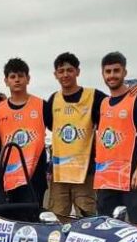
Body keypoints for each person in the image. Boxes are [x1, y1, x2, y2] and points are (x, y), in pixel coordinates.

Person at [94, 52, 137, 227]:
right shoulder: (103, 103)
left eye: (116, 70)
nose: (112, 75)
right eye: (108, 72)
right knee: (106, 226)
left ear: (124, 72)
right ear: (103, 74)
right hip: (107, 176)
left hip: (131, 174)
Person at [45, 52, 108, 217]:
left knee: (87, 217)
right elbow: (49, 125)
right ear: (55, 75)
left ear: (77, 72)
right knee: (57, 219)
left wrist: (135, 94)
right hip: (59, 172)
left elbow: (116, 106)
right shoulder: (53, 100)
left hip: (84, 172)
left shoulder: (94, 97)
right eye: (61, 71)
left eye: (69, 70)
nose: (65, 74)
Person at [0, 58, 48, 204]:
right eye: (12, 77)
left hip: (34, 177)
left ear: (28, 79)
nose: (17, 80)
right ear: (6, 81)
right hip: (9, 177)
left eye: (20, 76)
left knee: (33, 222)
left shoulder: (41, 105)